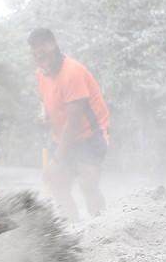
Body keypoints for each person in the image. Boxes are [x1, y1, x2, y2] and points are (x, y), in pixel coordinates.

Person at [28, 28, 110, 218]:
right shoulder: (41, 73)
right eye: (35, 51)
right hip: (63, 136)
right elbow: (46, 99)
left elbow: (73, 123)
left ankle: (102, 224)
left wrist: (57, 160)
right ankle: (72, 226)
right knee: (55, 180)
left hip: (90, 134)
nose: (39, 54)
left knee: (87, 182)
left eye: (43, 49)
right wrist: (45, 116)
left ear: (54, 45)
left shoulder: (72, 72)